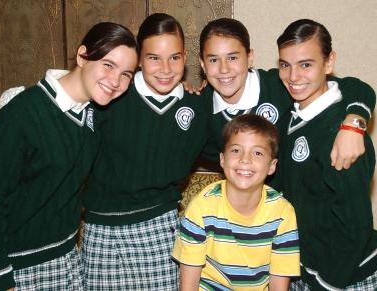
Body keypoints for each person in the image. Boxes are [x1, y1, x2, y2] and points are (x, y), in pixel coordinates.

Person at [0, 22, 138, 291]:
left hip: (65, 260)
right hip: (15, 268)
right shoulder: (23, 113)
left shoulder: (94, 113)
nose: (115, 81)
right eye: (108, 65)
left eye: (127, 74)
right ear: (82, 56)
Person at [81, 13, 212, 290]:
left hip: (158, 228)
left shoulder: (198, 106)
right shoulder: (110, 93)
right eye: (154, 58)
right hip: (100, 228)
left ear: (186, 56)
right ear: (139, 58)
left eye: (174, 58)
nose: (165, 68)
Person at [271, 19, 377, 290]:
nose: (293, 77)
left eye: (306, 64)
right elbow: (354, 85)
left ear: (329, 63)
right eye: (285, 65)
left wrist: (325, 283)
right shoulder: (292, 113)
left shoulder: (342, 136)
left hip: (345, 277)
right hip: (306, 267)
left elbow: (354, 227)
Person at [198, 18, 375, 171]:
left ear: (250, 57)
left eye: (233, 58)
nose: (224, 69)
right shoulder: (200, 106)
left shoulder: (283, 82)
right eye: (213, 60)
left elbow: (356, 88)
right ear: (202, 64)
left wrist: (353, 125)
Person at [172, 114, 300, 290]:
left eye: (257, 153)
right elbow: (188, 285)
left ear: (272, 166)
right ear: (222, 160)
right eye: (236, 150)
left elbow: (279, 283)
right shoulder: (201, 207)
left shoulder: (283, 213)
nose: (245, 160)